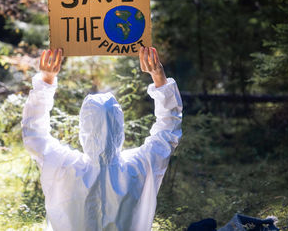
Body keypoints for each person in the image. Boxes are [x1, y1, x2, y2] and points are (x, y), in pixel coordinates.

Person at [21, 46, 183, 231]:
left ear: (83, 127)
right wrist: (159, 78)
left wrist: (46, 82)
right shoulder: (138, 167)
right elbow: (168, 130)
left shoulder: (64, 166)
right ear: (119, 127)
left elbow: (33, 133)